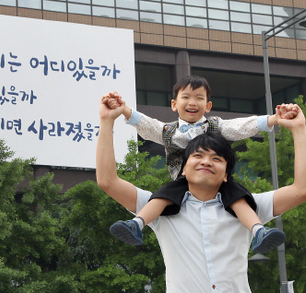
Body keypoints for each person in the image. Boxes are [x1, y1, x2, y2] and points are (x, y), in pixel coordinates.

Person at [96, 99, 306, 293]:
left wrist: (298, 129)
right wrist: (107, 122)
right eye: (198, 155)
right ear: (183, 168)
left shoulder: (249, 206)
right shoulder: (160, 207)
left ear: (227, 175)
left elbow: (303, 189)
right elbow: (108, 181)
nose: (206, 161)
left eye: (217, 159)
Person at [103, 75, 287, 253]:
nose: (192, 102)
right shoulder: (167, 131)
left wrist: (273, 119)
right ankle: (136, 224)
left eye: (199, 98)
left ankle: (259, 231)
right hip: (183, 179)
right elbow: (147, 124)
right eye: (186, 97)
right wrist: (125, 110)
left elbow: (240, 126)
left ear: (208, 106)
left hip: (217, 180)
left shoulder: (216, 126)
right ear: (174, 104)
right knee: (162, 196)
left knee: (239, 198)